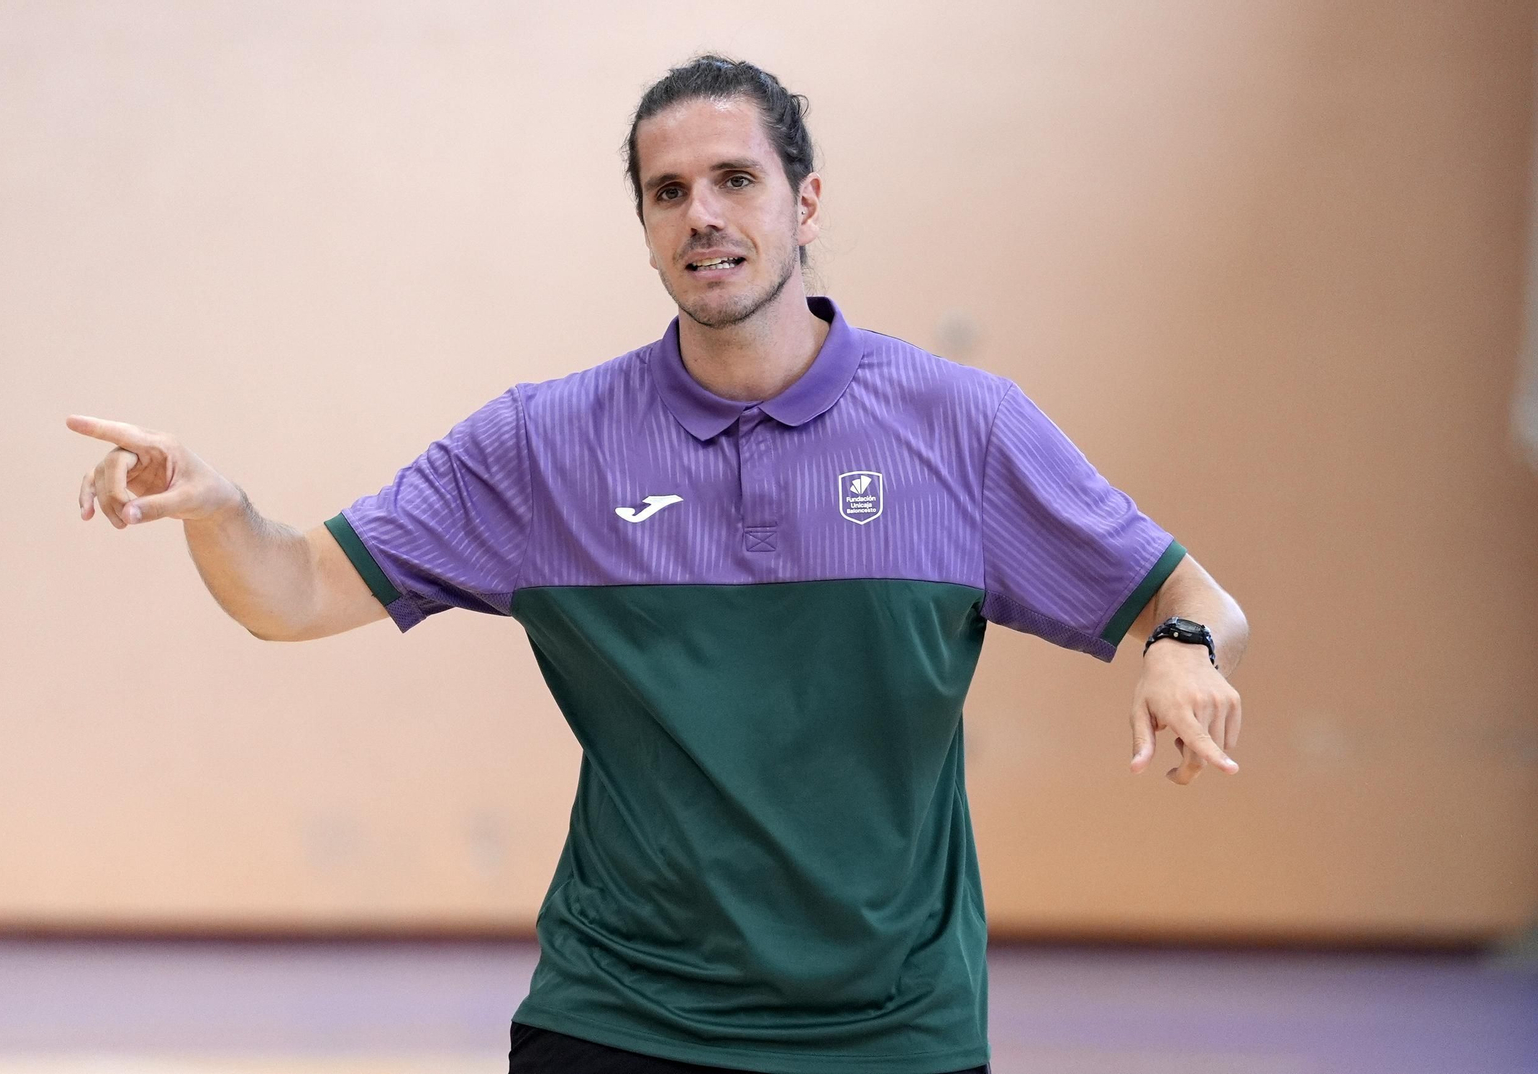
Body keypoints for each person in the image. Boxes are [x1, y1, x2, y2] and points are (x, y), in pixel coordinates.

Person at [67, 54, 1248, 1074]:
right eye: (668, 192)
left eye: (736, 180)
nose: (702, 216)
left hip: (891, 1030)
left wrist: (1183, 653)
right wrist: (222, 511)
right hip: (622, 1014)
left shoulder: (961, 428)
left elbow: (1189, 602)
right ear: (643, 227)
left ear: (807, 202)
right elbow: (296, 591)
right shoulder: (544, 446)